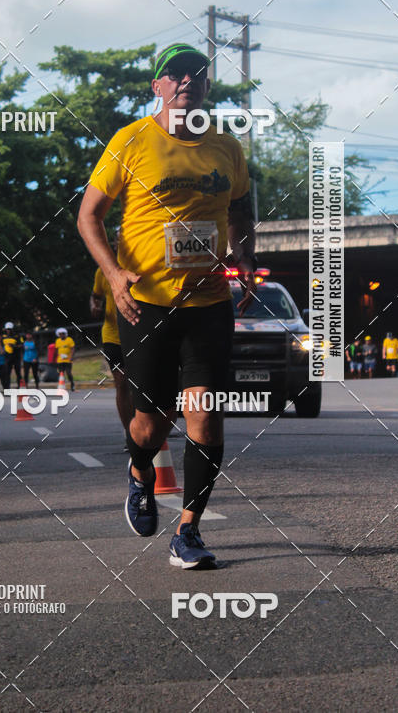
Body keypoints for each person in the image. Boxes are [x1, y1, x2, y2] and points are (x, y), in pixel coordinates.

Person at [78, 41, 256, 568]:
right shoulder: (130, 141)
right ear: (156, 86)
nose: (186, 82)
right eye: (174, 74)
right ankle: (139, 472)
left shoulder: (226, 147)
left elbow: (243, 210)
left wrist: (244, 257)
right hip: (147, 305)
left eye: (196, 74)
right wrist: (113, 276)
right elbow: (89, 216)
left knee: (205, 417)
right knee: (150, 425)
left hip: (208, 302)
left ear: (206, 86)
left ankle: (189, 532)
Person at [91, 259, 134, 449]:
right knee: (122, 381)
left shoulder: (142, 266)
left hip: (140, 334)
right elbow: (96, 296)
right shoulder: (104, 271)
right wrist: (95, 307)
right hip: (113, 336)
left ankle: (145, 427)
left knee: (142, 385)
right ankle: (130, 433)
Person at [2, 322, 22, 386]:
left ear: (12, 329)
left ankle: (20, 387)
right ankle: (7, 389)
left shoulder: (17, 336)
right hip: (7, 358)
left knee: (18, 373)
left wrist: (14, 346)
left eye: (9, 329)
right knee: (7, 373)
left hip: (16, 357)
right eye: (7, 329)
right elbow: (2, 346)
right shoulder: (3, 337)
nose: (8, 330)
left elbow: (21, 345)